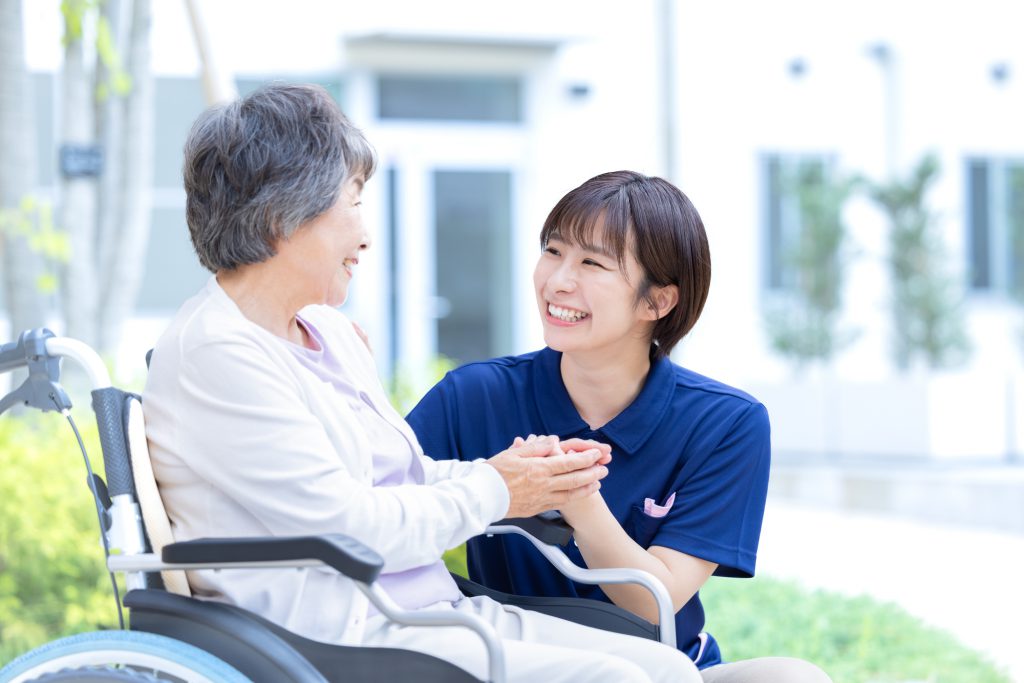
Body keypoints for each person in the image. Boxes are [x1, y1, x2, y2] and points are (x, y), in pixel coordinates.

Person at [143, 84, 702, 683]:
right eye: (353, 201)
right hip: (343, 635)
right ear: (285, 215)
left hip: (424, 611)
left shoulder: (322, 333)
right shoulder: (218, 354)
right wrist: (496, 488)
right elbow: (353, 531)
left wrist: (519, 474)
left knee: (665, 667)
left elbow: (395, 477)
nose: (365, 235)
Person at [407, 171, 832, 682]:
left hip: (667, 665)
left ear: (658, 302)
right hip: (516, 657)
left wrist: (575, 498)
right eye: (552, 250)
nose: (557, 280)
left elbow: (653, 604)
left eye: (592, 263)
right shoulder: (471, 396)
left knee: (793, 677)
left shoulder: (726, 422)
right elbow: (380, 509)